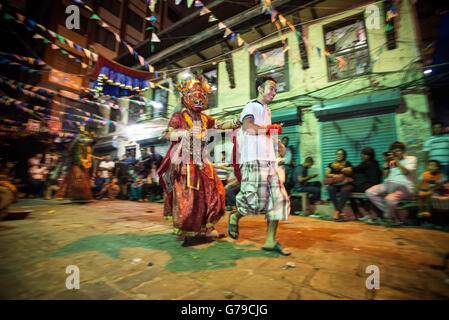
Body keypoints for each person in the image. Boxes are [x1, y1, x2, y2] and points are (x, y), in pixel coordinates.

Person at [158, 75, 241, 245]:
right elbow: (168, 134)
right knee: (189, 198)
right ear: (186, 97)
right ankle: (185, 229)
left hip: (202, 160)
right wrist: (184, 133)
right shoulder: (179, 117)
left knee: (216, 192)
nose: (198, 98)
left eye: (201, 95)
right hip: (184, 162)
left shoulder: (205, 118)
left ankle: (209, 227)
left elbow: (219, 124)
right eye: (194, 95)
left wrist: (237, 121)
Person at [229, 76, 291, 256]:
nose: (274, 92)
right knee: (253, 202)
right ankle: (235, 215)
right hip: (253, 159)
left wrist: (276, 143)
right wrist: (270, 129)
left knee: (278, 200)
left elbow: (265, 131)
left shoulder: (267, 110)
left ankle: (270, 241)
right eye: (271, 88)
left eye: (276, 90)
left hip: (269, 161)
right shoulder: (251, 106)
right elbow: (248, 127)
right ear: (260, 89)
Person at [366, 141, 417, 224]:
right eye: (394, 151)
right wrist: (386, 162)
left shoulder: (411, 159)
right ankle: (391, 215)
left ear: (403, 151)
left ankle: (388, 217)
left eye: (398, 151)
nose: (396, 153)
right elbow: (385, 175)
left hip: (403, 186)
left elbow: (405, 172)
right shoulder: (391, 162)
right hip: (388, 184)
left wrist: (396, 160)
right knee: (369, 193)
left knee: (389, 199)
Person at [351, 147, 382, 221]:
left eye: (363, 155)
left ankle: (368, 214)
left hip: (370, 186)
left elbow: (355, 169)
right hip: (376, 185)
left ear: (367, 156)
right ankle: (369, 214)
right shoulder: (375, 162)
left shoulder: (367, 163)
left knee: (351, 191)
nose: (361, 156)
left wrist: (346, 169)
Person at [325, 149, 354, 221]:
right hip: (336, 183)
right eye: (337, 154)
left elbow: (349, 172)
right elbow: (327, 174)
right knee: (330, 189)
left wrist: (341, 168)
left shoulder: (347, 163)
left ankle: (337, 212)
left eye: (341, 154)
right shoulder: (331, 164)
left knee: (344, 190)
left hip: (346, 183)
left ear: (344, 156)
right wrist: (335, 176)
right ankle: (339, 211)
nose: (339, 156)